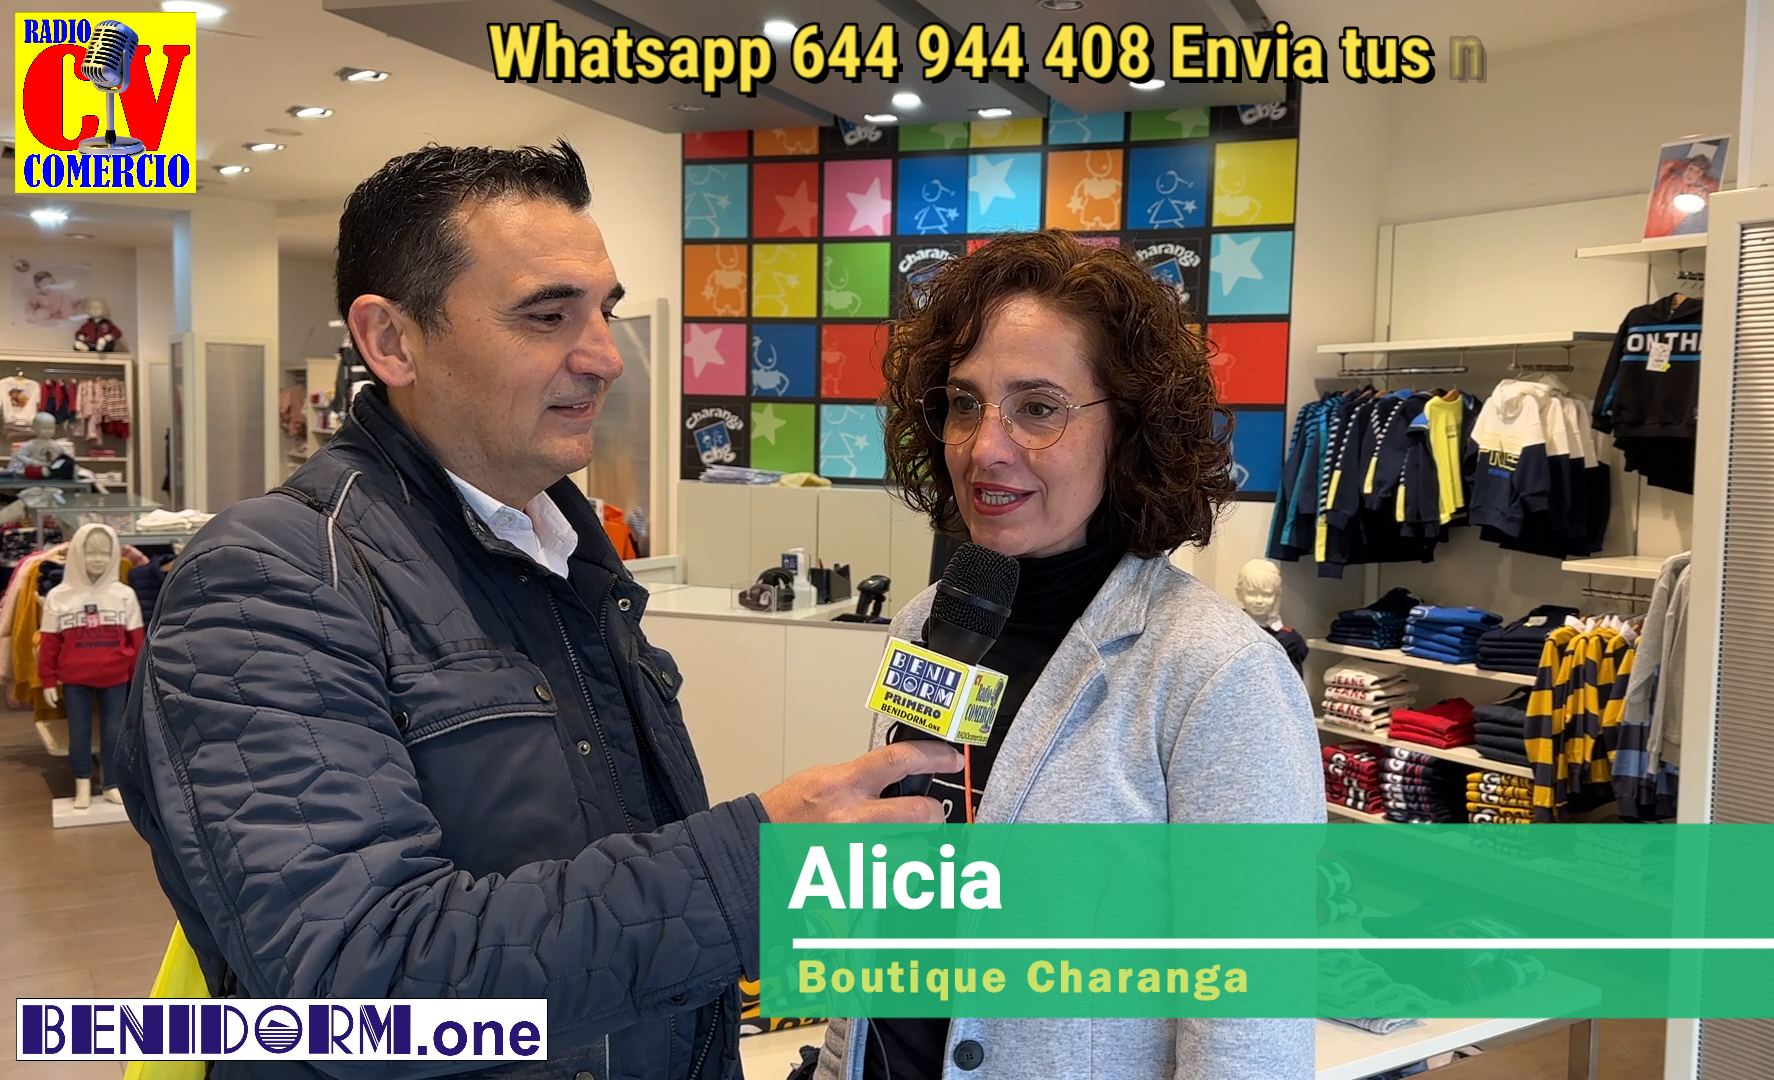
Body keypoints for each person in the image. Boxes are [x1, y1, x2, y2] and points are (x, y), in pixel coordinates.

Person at [116, 141, 959, 1080]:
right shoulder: (269, 579)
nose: (605, 357)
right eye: (547, 315)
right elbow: (360, 985)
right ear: (391, 341)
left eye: (605, 311)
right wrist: (750, 870)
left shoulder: (566, 558)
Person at [812, 230, 1323, 1080]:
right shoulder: (928, 621)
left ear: (1128, 430)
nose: (985, 447)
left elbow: (1248, 1025)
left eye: (1039, 408)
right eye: (965, 403)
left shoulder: (1215, 674)